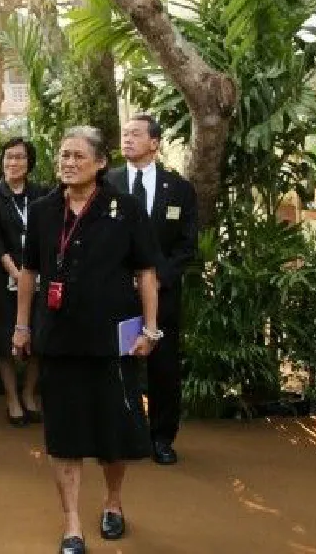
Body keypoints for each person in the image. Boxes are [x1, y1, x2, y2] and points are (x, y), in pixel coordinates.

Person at [13, 126, 162, 554]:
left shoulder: (125, 209)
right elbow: (28, 273)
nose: (69, 163)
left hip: (113, 341)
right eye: (64, 155)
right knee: (64, 433)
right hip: (58, 340)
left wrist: (150, 331)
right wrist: (22, 327)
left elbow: (146, 273)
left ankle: (112, 503)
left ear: (100, 164)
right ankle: (72, 523)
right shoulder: (43, 211)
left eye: (79, 156)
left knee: (114, 431)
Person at [107, 114, 197, 465]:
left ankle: (162, 438)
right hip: (117, 293)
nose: (126, 139)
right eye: (124, 134)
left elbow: (186, 245)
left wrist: (157, 279)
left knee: (164, 367)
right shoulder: (107, 183)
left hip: (163, 295)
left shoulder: (178, 189)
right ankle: (123, 436)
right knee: (118, 363)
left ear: (155, 143)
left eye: (135, 134)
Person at [0, 137, 49, 425]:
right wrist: (18, 275)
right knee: (3, 338)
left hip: (39, 275)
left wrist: (32, 276)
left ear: (29, 162)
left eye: (19, 157)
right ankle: (11, 399)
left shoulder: (42, 193)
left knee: (38, 336)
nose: (13, 162)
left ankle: (29, 394)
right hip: (3, 275)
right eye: (8, 157)